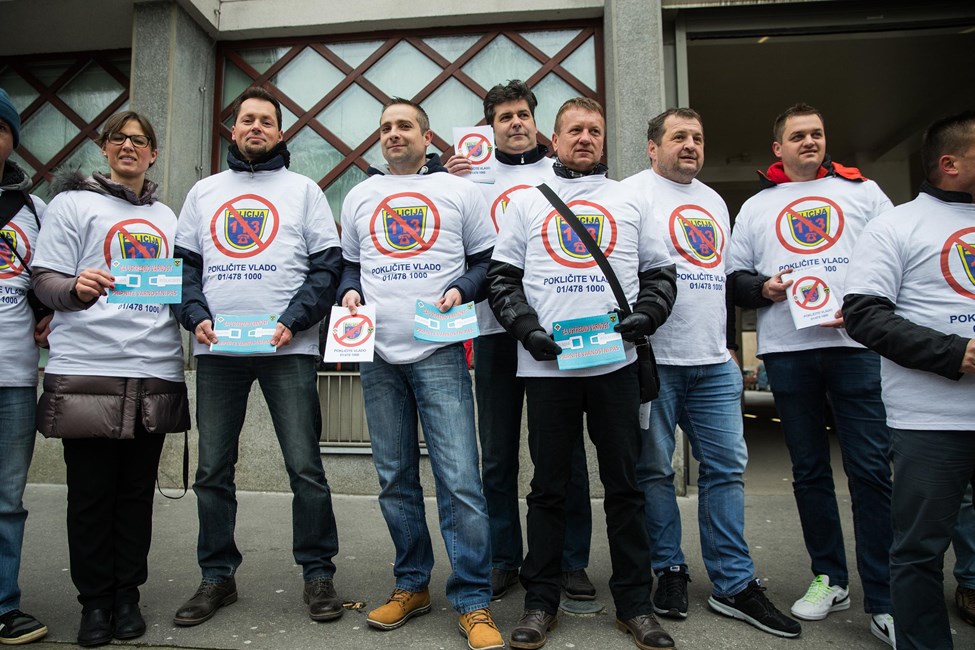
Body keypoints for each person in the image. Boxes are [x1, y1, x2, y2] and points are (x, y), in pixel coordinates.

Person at [488, 97, 677, 650]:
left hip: (616, 365)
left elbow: (661, 274)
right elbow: (502, 279)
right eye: (575, 130)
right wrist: (527, 331)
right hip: (548, 370)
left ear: (603, 138)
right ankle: (540, 603)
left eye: (595, 130)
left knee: (625, 488)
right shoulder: (527, 201)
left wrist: (647, 315)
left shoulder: (630, 200)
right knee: (547, 490)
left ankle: (635, 605)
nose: (585, 138)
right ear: (555, 137)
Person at [621, 108, 800, 638]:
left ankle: (734, 583)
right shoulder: (630, 195)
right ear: (652, 147)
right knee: (655, 472)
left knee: (725, 470)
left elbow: (722, 278)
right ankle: (669, 570)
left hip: (714, 363)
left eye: (697, 138)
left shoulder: (714, 201)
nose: (690, 146)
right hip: (654, 361)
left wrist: (758, 294)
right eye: (679, 137)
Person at [172, 86, 344, 627]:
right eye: (247, 119)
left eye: (266, 121)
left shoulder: (304, 190)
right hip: (219, 348)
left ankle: (318, 573)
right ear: (233, 129)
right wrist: (194, 314)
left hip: (286, 347)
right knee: (212, 469)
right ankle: (216, 575)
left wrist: (293, 320)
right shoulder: (204, 192)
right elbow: (183, 267)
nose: (255, 128)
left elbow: (327, 267)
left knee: (305, 467)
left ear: (280, 131)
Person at [727, 102, 895, 646]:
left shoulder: (863, 193)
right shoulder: (757, 206)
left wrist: (869, 306)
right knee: (809, 471)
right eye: (798, 135)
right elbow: (735, 279)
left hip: (856, 346)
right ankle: (831, 578)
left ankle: (885, 593)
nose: (809, 142)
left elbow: (896, 258)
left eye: (817, 134)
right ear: (778, 148)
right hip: (789, 351)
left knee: (871, 469)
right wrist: (764, 289)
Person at [338, 98, 503, 650]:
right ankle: (412, 584)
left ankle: (473, 599)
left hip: (440, 347)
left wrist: (462, 288)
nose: (394, 134)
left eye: (404, 125)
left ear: (427, 137)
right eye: (385, 127)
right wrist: (349, 291)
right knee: (395, 478)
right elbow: (350, 265)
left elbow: (486, 261)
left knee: (460, 480)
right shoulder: (360, 195)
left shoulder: (460, 191)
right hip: (377, 353)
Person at [31, 111, 191, 647]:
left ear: (153, 154)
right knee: (90, 496)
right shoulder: (72, 204)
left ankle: (128, 597)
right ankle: (95, 602)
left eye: (139, 140)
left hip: (153, 368)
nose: (128, 146)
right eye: (119, 138)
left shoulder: (167, 216)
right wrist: (73, 289)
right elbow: (44, 279)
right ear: (104, 147)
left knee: (136, 495)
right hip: (88, 367)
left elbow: (180, 288)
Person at [444, 79, 595, 602]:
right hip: (494, 332)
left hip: (555, 331)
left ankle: (570, 560)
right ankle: (503, 559)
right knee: (497, 455)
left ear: (537, 123)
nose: (515, 123)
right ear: (490, 127)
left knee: (564, 452)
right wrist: (445, 182)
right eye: (504, 116)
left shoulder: (563, 174)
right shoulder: (469, 179)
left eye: (522, 114)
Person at [843, 109, 975, 650]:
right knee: (920, 551)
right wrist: (957, 353)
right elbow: (864, 316)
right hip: (931, 422)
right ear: (950, 163)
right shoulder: (896, 226)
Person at [0, 88, 49, 646]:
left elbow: (46, 280)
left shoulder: (33, 210)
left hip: (13, 376)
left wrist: (50, 313)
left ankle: (3, 605)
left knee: (7, 501)